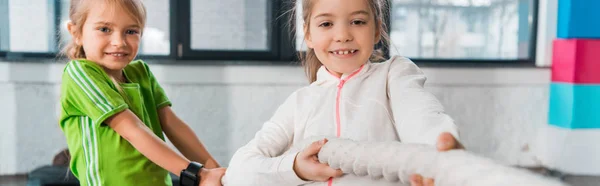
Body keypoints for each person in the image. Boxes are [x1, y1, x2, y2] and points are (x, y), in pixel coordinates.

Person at [225, 0, 463, 185]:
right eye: (326, 24)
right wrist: (295, 167)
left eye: (357, 21)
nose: (342, 35)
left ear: (377, 28)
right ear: (308, 34)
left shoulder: (394, 76)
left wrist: (440, 151)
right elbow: (238, 172)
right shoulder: (298, 103)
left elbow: (421, 117)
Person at [58, 0, 225, 185]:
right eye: (104, 29)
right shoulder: (79, 73)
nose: (119, 42)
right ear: (76, 33)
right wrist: (197, 174)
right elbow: (132, 129)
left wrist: (214, 170)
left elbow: (172, 124)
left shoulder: (141, 72)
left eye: (131, 31)